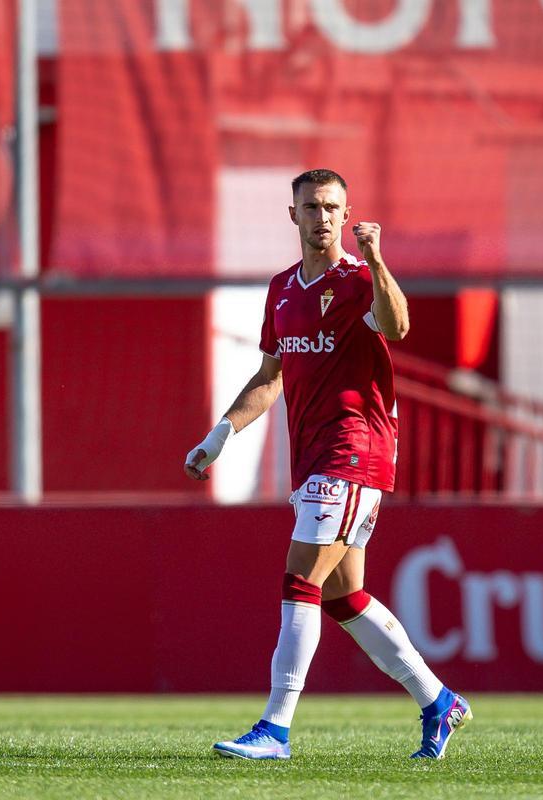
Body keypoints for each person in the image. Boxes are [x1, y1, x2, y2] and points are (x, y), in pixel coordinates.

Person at [185, 169, 470, 760]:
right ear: (293, 215)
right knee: (343, 596)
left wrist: (377, 258)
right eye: (312, 207)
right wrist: (220, 434)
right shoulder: (282, 290)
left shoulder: (359, 281)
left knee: (299, 579)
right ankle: (437, 700)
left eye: (334, 207)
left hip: (353, 449)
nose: (324, 217)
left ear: (347, 214)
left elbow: (399, 325)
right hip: (313, 456)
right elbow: (271, 378)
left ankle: (275, 728)